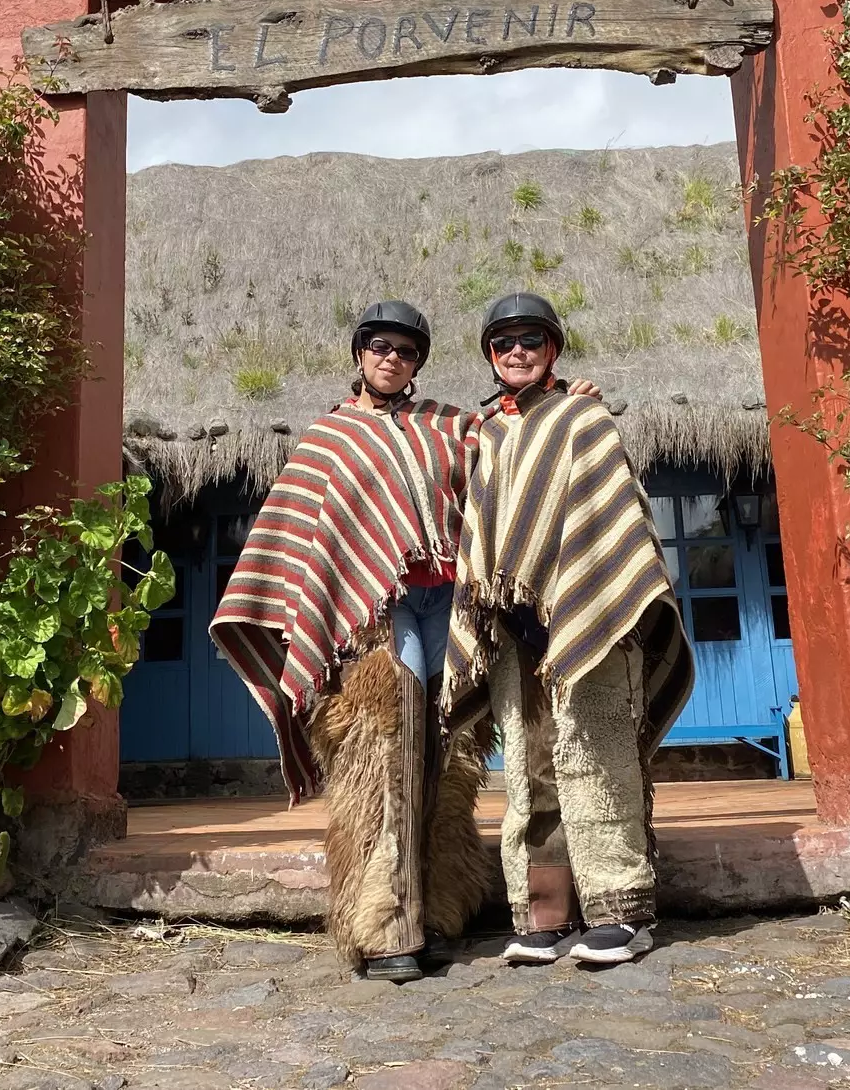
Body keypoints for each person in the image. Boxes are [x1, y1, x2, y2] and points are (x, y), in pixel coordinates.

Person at [210, 300, 495, 983]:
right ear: (359, 354)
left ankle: (442, 907)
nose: (391, 358)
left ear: (419, 361)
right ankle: (386, 920)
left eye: (405, 349)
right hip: (376, 608)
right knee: (385, 746)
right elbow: (303, 537)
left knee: (450, 745)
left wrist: (564, 396)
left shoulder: (451, 426)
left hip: (451, 600)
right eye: (380, 346)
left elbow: (518, 444)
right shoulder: (330, 439)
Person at [441, 292, 694, 967]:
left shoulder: (585, 418)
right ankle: (545, 916)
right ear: (491, 356)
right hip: (514, 629)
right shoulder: (487, 434)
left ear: (552, 348)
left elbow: (610, 516)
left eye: (530, 338)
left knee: (597, 756)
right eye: (503, 342)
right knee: (529, 773)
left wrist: (588, 599)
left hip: (589, 618)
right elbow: (482, 531)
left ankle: (621, 911)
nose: (515, 351)